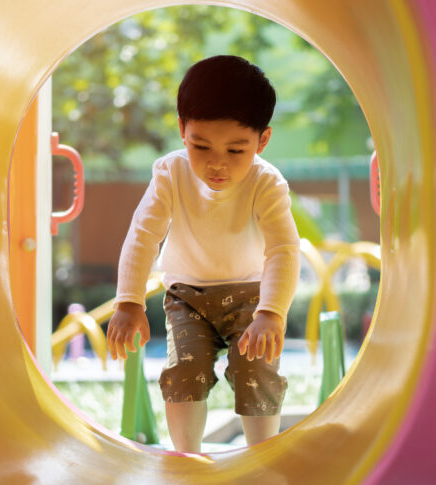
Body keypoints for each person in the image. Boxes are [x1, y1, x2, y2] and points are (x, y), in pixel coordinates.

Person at [106, 55, 300, 453]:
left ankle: (262, 457)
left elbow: (283, 249)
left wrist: (270, 312)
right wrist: (129, 301)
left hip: (250, 294)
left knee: (256, 366)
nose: (217, 163)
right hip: (186, 298)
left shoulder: (267, 184)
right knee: (184, 370)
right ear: (182, 130)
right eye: (201, 145)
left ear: (262, 141)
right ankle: (187, 459)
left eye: (236, 150)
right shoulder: (170, 174)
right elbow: (143, 235)